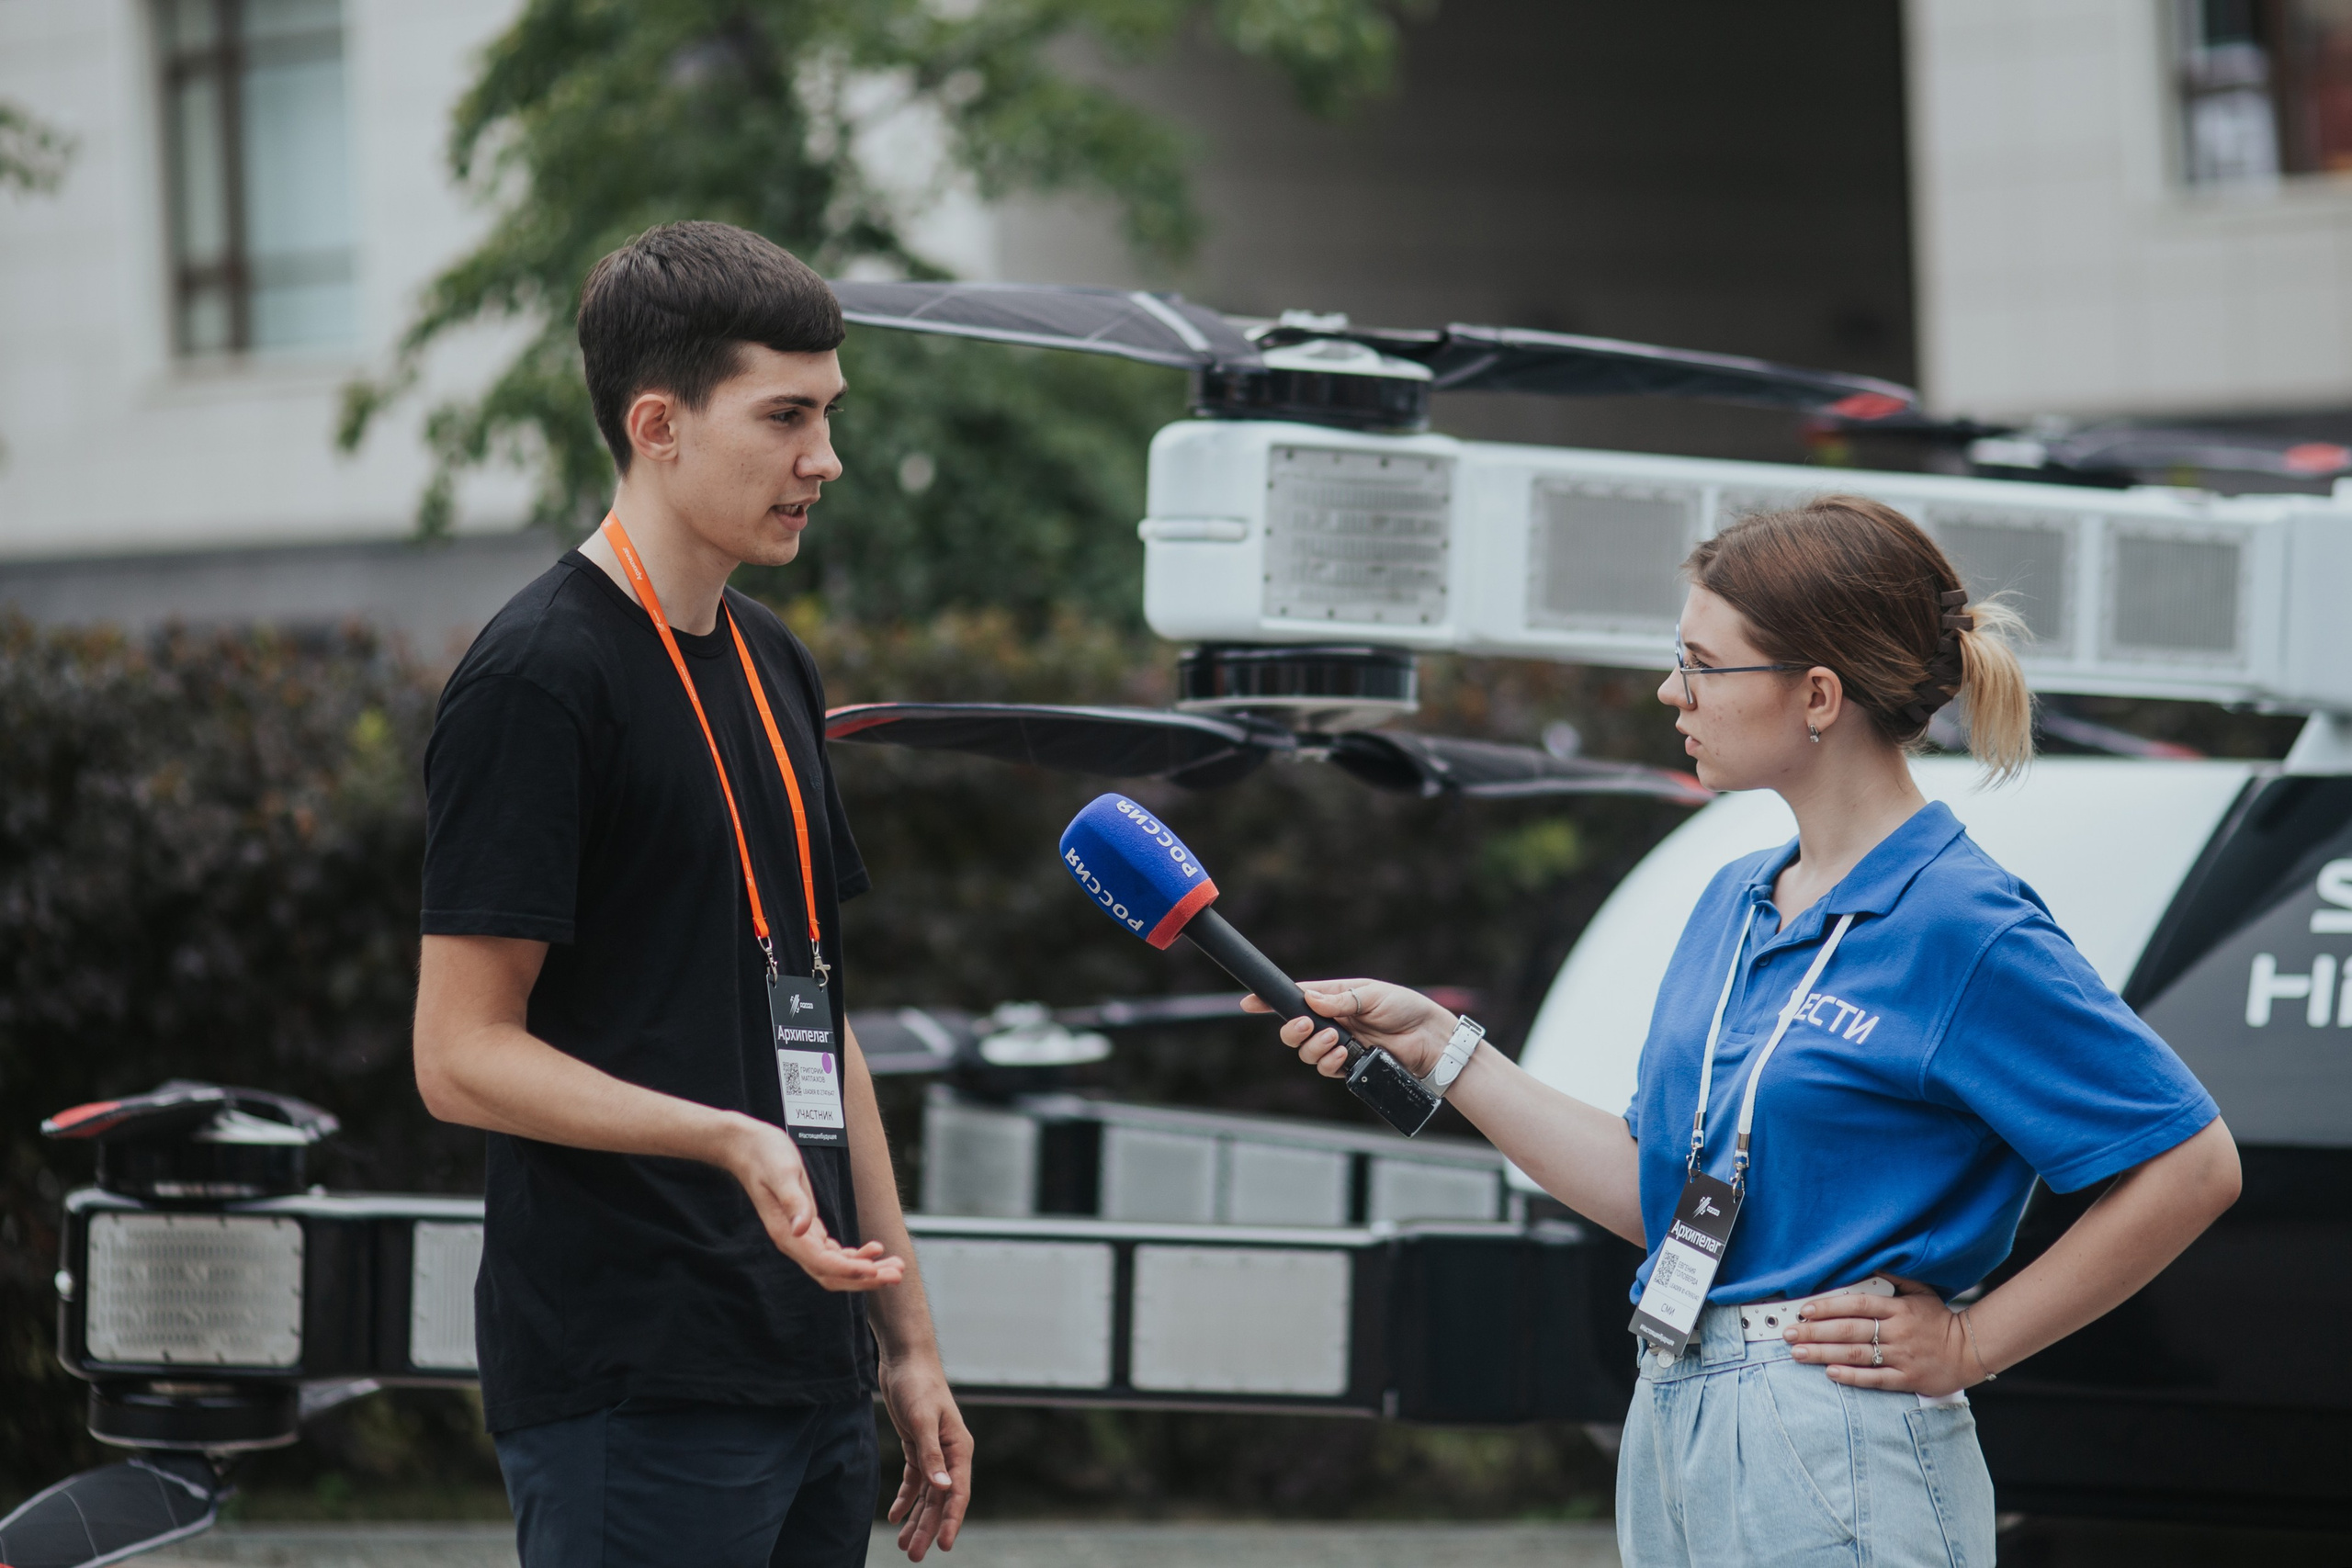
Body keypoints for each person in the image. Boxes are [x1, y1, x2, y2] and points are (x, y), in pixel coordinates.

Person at [1250, 496, 2242, 1567]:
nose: (1668, 691)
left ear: (1817, 695)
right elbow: (1659, 1193)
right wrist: (1441, 1048)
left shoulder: (1962, 925)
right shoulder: (1733, 898)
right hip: (1672, 1408)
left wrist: (1971, 1342)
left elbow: (2190, 1166)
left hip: (1840, 1435)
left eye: (1700, 664)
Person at [411, 221, 969, 1568]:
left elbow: (818, 1013)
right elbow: (458, 1054)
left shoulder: (776, 659)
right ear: (657, 424)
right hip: (633, 1380)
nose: (824, 460)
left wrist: (908, 1340)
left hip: (809, 1369)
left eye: (828, 415)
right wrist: (726, 1135)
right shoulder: (536, 679)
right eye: (786, 417)